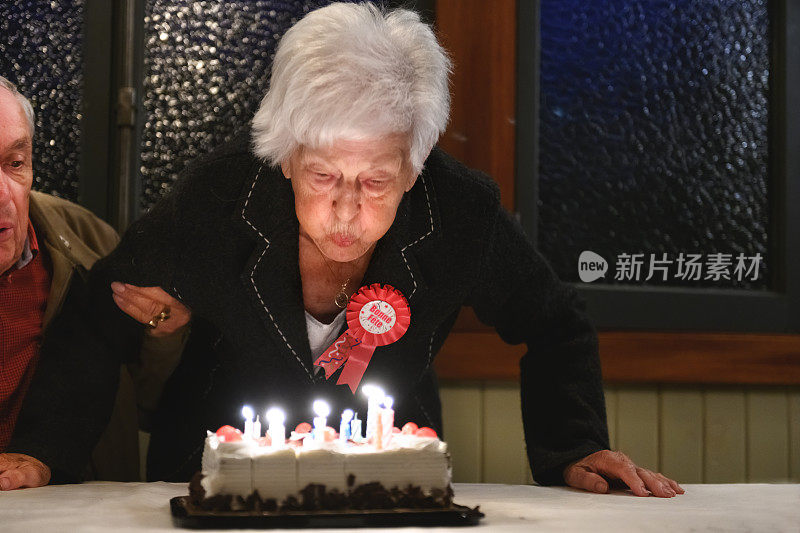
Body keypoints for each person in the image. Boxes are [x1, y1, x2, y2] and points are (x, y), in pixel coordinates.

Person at [4, 3, 682, 497]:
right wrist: (42, 449)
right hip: (213, 482)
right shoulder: (223, 194)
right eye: (324, 175)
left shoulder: (457, 208)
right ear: (288, 157)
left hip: (387, 488)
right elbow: (102, 311)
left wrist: (577, 445)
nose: (347, 211)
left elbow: (555, 321)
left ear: (414, 168)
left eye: (377, 180)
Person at [0, 76, 190, 489]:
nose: (3, 196)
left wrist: (165, 331)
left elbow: (151, 401)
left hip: (73, 509)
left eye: (14, 164)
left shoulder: (89, 242)